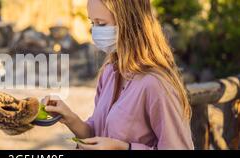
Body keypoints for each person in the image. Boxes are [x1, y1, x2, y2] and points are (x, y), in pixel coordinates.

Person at [42, 0, 194, 150]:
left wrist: (125, 148)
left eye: (101, 24)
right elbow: (96, 135)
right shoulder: (109, 72)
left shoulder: (156, 84)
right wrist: (69, 117)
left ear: (129, 22)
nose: (95, 31)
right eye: (92, 23)